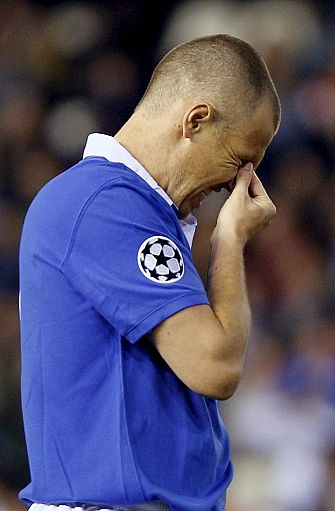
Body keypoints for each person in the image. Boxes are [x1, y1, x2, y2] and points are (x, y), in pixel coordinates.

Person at [17, 34, 280, 511]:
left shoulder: (135, 209)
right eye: (240, 160)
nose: (237, 183)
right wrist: (230, 240)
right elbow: (216, 365)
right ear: (196, 121)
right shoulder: (105, 203)